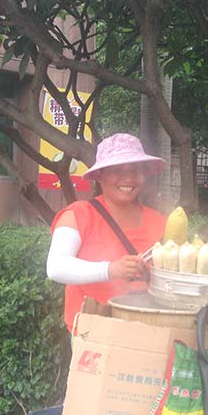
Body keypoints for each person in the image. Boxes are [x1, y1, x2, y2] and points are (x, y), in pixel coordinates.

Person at [46, 133, 166, 332]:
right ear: (99, 176)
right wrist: (111, 270)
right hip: (93, 333)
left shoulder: (160, 222)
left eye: (135, 169)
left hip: (149, 332)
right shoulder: (78, 215)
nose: (128, 177)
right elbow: (56, 267)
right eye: (117, 170)